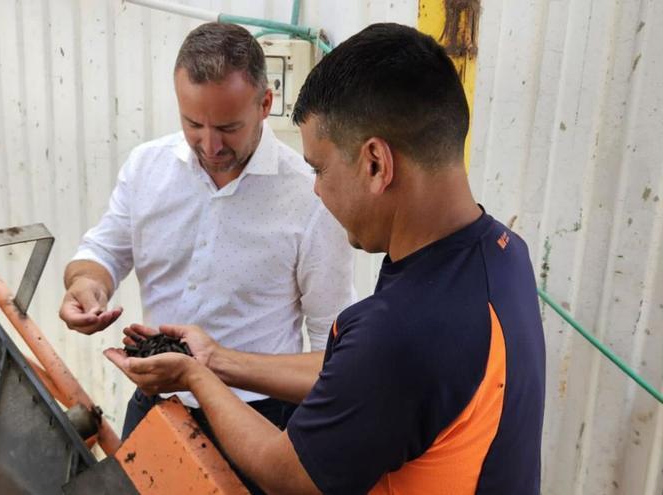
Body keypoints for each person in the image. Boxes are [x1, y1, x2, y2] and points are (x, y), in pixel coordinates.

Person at [105, 22, 546, 495]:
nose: (314, 188)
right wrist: (216, 359)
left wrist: (194, 375)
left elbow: (288, 475)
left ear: (376, 163)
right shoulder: (501, 254)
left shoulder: (403, 331)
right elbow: (351, 372)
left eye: (320, 168)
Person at [58, 22, 355, 442]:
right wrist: (87, 284)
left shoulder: (311, 195)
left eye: (229, 128)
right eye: (193, 123)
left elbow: (332, 343)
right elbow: (103, 251)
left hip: (258, 418)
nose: (210, 145)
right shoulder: (146, 167)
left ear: (265, 103)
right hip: (156, 407)